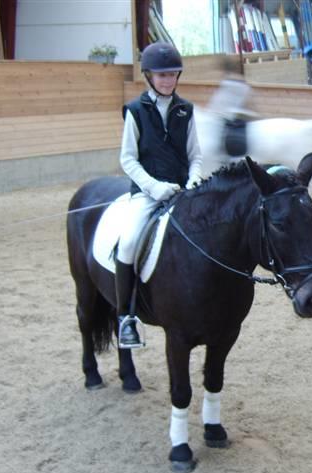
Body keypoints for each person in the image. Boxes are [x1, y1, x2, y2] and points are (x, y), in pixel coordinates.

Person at [117, 41, 203, 348]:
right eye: (161, 75)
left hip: (183, 193)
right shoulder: (136, 112)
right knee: (127, 242)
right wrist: (154, 186)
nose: (167, 80)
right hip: (147, 194)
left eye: (172, 74)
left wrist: (194, 181)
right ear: (149, 76)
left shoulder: (185, 110)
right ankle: (126, 317)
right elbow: (128, 159)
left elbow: (195, 156)